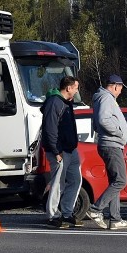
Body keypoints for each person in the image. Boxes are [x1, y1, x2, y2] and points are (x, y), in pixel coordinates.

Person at [86, 74, 127, 230]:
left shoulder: (101, 98)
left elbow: (96, 123)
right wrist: (119, 133)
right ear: (115, 86)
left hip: (110, 144)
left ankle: (115, 219)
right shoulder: (107, 98)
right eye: (120, 88)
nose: (120, 92)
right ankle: (95, 209)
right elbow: (103, 120)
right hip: (111, 145)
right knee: (121, 181)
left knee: (115, 181)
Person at [40, 76, 83, 229]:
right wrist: (56, 150)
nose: (77, 90)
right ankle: (52, 215)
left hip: (71, 150)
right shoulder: (54, 103)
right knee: (58, 183)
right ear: (68, 88)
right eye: (76, 87)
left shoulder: (66, 103)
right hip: (60, 151)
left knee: (76, 180)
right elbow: (50, 129)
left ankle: (67, 212)